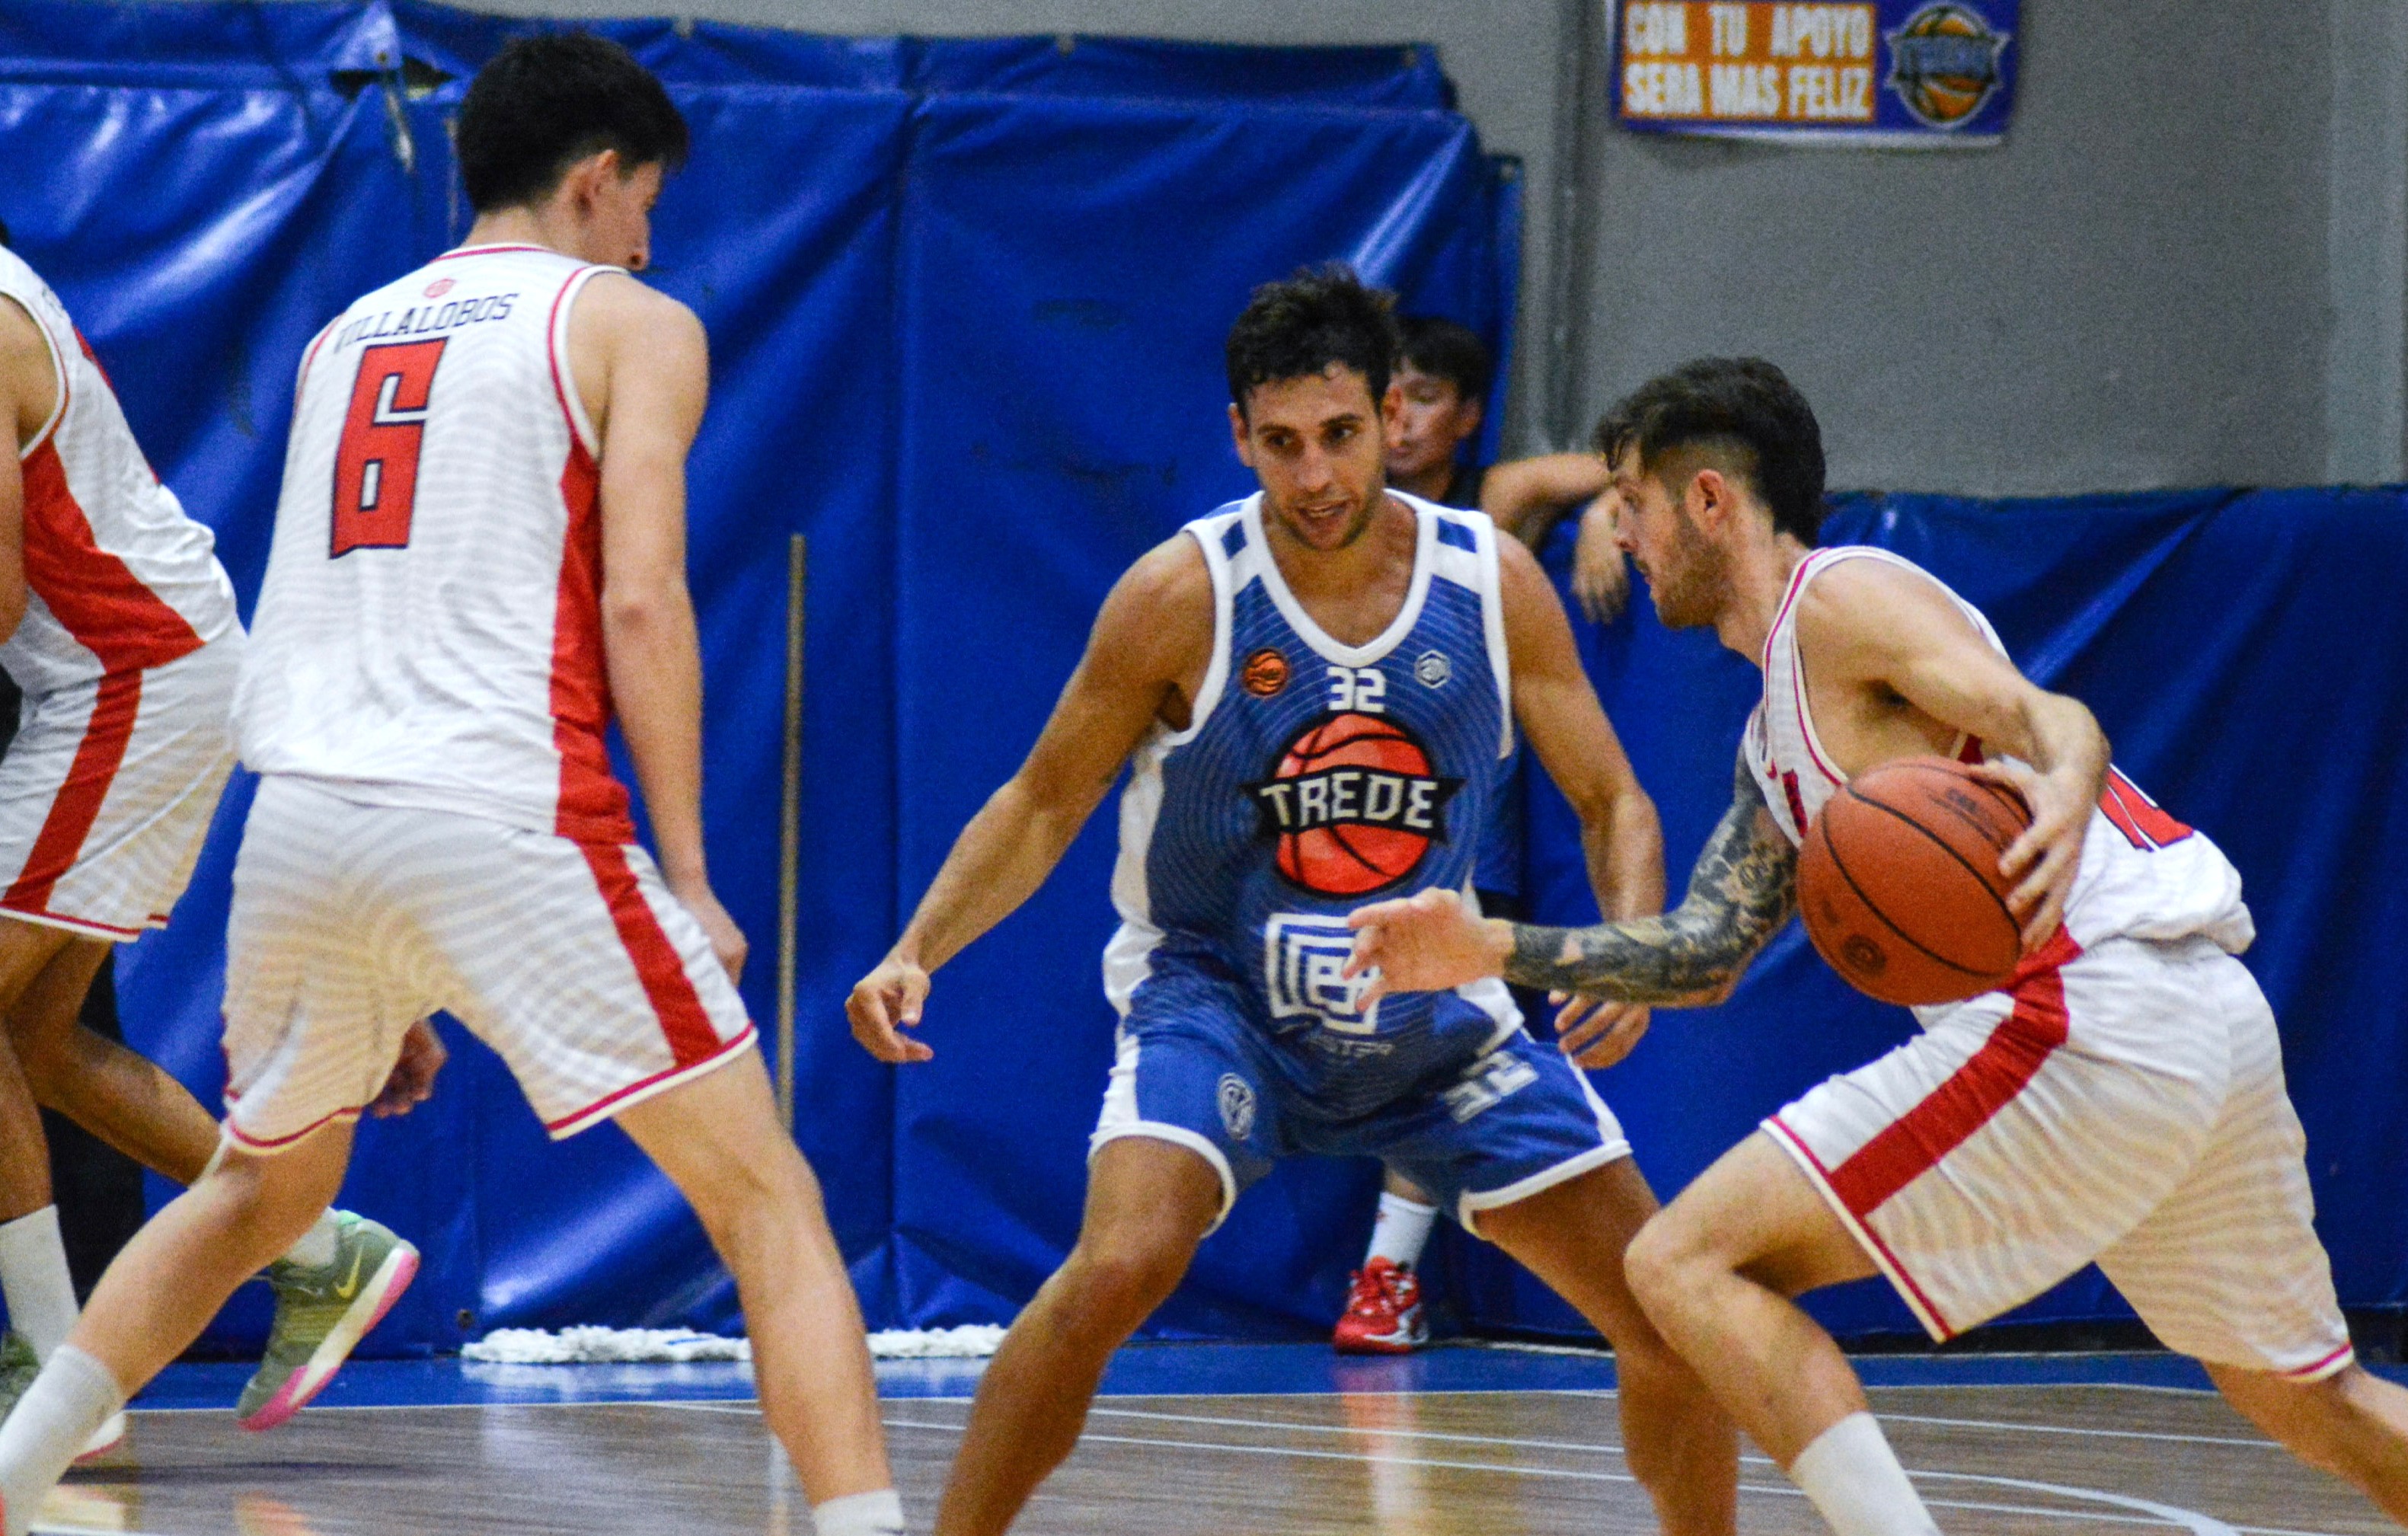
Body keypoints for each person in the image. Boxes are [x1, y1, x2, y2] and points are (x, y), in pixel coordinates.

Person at [0, 35, 902, 1536]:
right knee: (768, 1201)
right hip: (504, 807)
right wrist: (688, 875)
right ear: (597, 175)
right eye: (644, 206)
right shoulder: (629, 319)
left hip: (300, 819)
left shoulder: (344, 332)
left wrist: (390, 953)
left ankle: (15, 1473)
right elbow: (642, 599)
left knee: (252, 1199)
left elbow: (311, 607)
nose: (649, 241)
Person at [1346, 356, 2408, 1536]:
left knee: (1682, 1263)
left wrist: (2067, 779)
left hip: (2084, 1011)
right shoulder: (1773, 737)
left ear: (1707, 501)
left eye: (1629, 500)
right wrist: (1488, 943)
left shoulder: (1841, 601)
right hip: (2198, 1019)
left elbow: (2039, 713)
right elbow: (1703, 948)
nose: (1618, 533)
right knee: (2314, 1400)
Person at [848, 270, 1736, 1536]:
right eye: (1280, 443)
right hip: (1218, 997)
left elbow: (1615, 802)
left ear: (1391, 417)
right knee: (1119, 1264)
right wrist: (915, 946)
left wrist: (1622, 952)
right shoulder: (1181, 591)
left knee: (1667, 1307)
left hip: (1430, 1014)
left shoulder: (1489, 582)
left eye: (1339, 435)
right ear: (1237, 436)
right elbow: (1043, 801)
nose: (1314, 475)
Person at [0, 225, 418, 1452]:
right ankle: (318, 1250)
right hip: (132, 673)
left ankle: (56, 1375)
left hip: (127, 679)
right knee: (35, 1035)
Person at [1338, 315, 1646, 1352]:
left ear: (1466, 414)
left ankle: (1386, 1274)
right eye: (1388, 398)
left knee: (1439, 1056)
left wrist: (1611, 507)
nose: (1403, 419)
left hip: (1458, 840)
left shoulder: (1490, 509)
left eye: (1425, 396)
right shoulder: (1317, 528)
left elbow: (1636, 457)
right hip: (1329, 824)